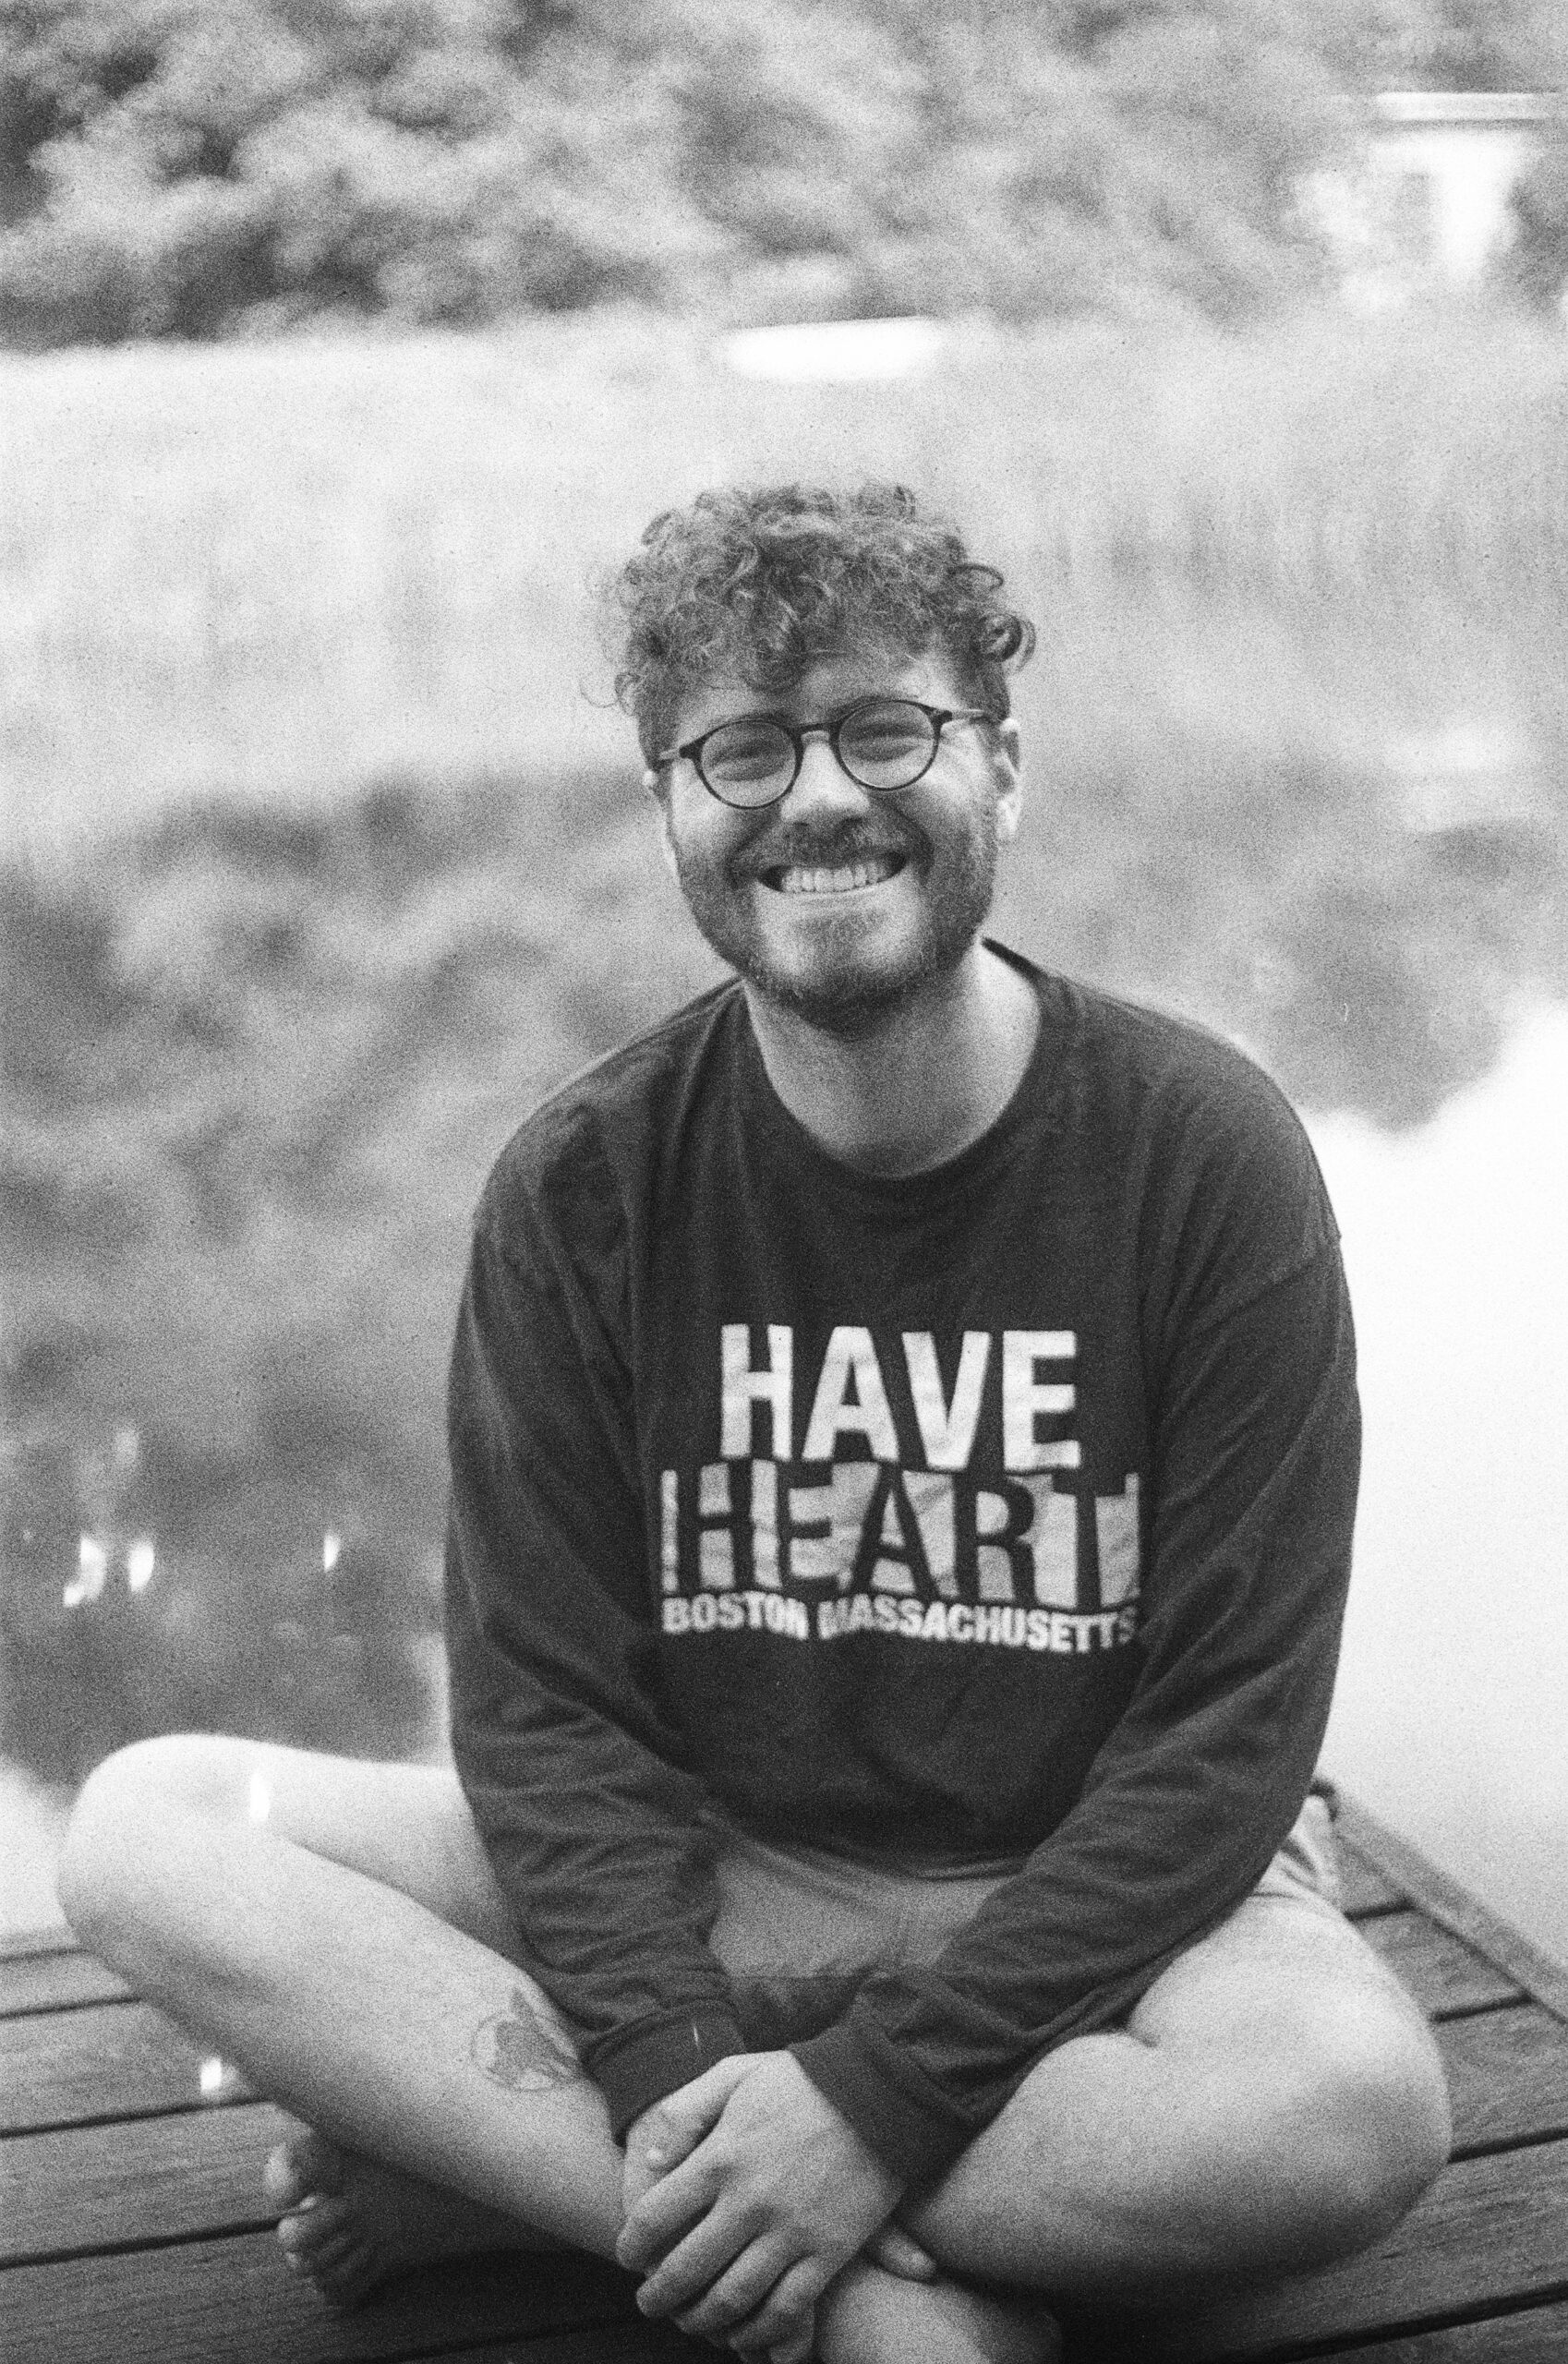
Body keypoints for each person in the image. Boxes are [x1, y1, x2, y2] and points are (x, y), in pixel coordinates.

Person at [59, 483, 1451, 2364]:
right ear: (669, 808)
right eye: (741, 748)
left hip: (1122, 1896)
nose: (819, 796)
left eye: (887, 728)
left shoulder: (1203, 1151)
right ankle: (840, 2274)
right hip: (742, 1869)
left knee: (1348, 2105)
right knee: (148, 1829)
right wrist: (704, 2052)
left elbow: (1229, 1734)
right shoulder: (582, 1181)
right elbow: (550, 1716)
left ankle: (520, 2176)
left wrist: (869, 2106)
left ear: (1002, 769)